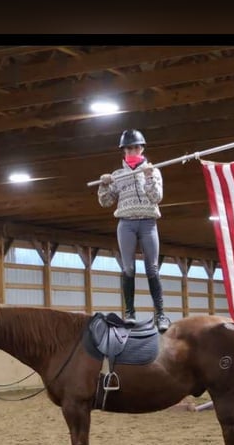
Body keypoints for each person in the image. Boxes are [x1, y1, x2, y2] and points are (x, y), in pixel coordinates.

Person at [97, 129, 171, 333]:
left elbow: (156, 197)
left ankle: (161, 314)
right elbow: (106, 202)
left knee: (152, 268)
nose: (132, 151)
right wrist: (104, 186)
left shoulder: (154, 171)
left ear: (142, 148)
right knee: (128, 268)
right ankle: (129, 312)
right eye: (129, 148)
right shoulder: (117, 175)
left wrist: (148, 177)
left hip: (148, 223)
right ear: (124, 151)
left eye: (136, 147)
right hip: (126, 223)